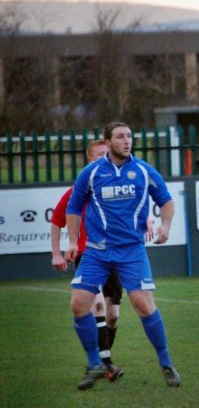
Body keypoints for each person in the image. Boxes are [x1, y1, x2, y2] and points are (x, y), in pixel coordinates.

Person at [65, 121, 181, 390]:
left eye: (129, 136)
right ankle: (94, 363)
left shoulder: (142, 170)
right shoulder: (91, 173)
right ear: (107, 142)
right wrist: (72, 240)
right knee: (78, 305)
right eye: (120, 136)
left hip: (131, 250)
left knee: (143, 304)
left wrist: (165, 225)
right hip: (97, 251)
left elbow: (166, 199)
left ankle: (166, 362)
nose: (127, 141)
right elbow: (74, 205)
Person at [51, 139, 124, 381]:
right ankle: (106, 364)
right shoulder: (78, 190)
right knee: (98, 307)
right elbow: (56, 220)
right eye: (100, 155)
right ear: (90, 159)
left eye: (108, 154)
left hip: (115, 255)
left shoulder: (116, 187)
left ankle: (104, 358)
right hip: (88, 255)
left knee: (113, 315)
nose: (105, 158)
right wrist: (57, 253)